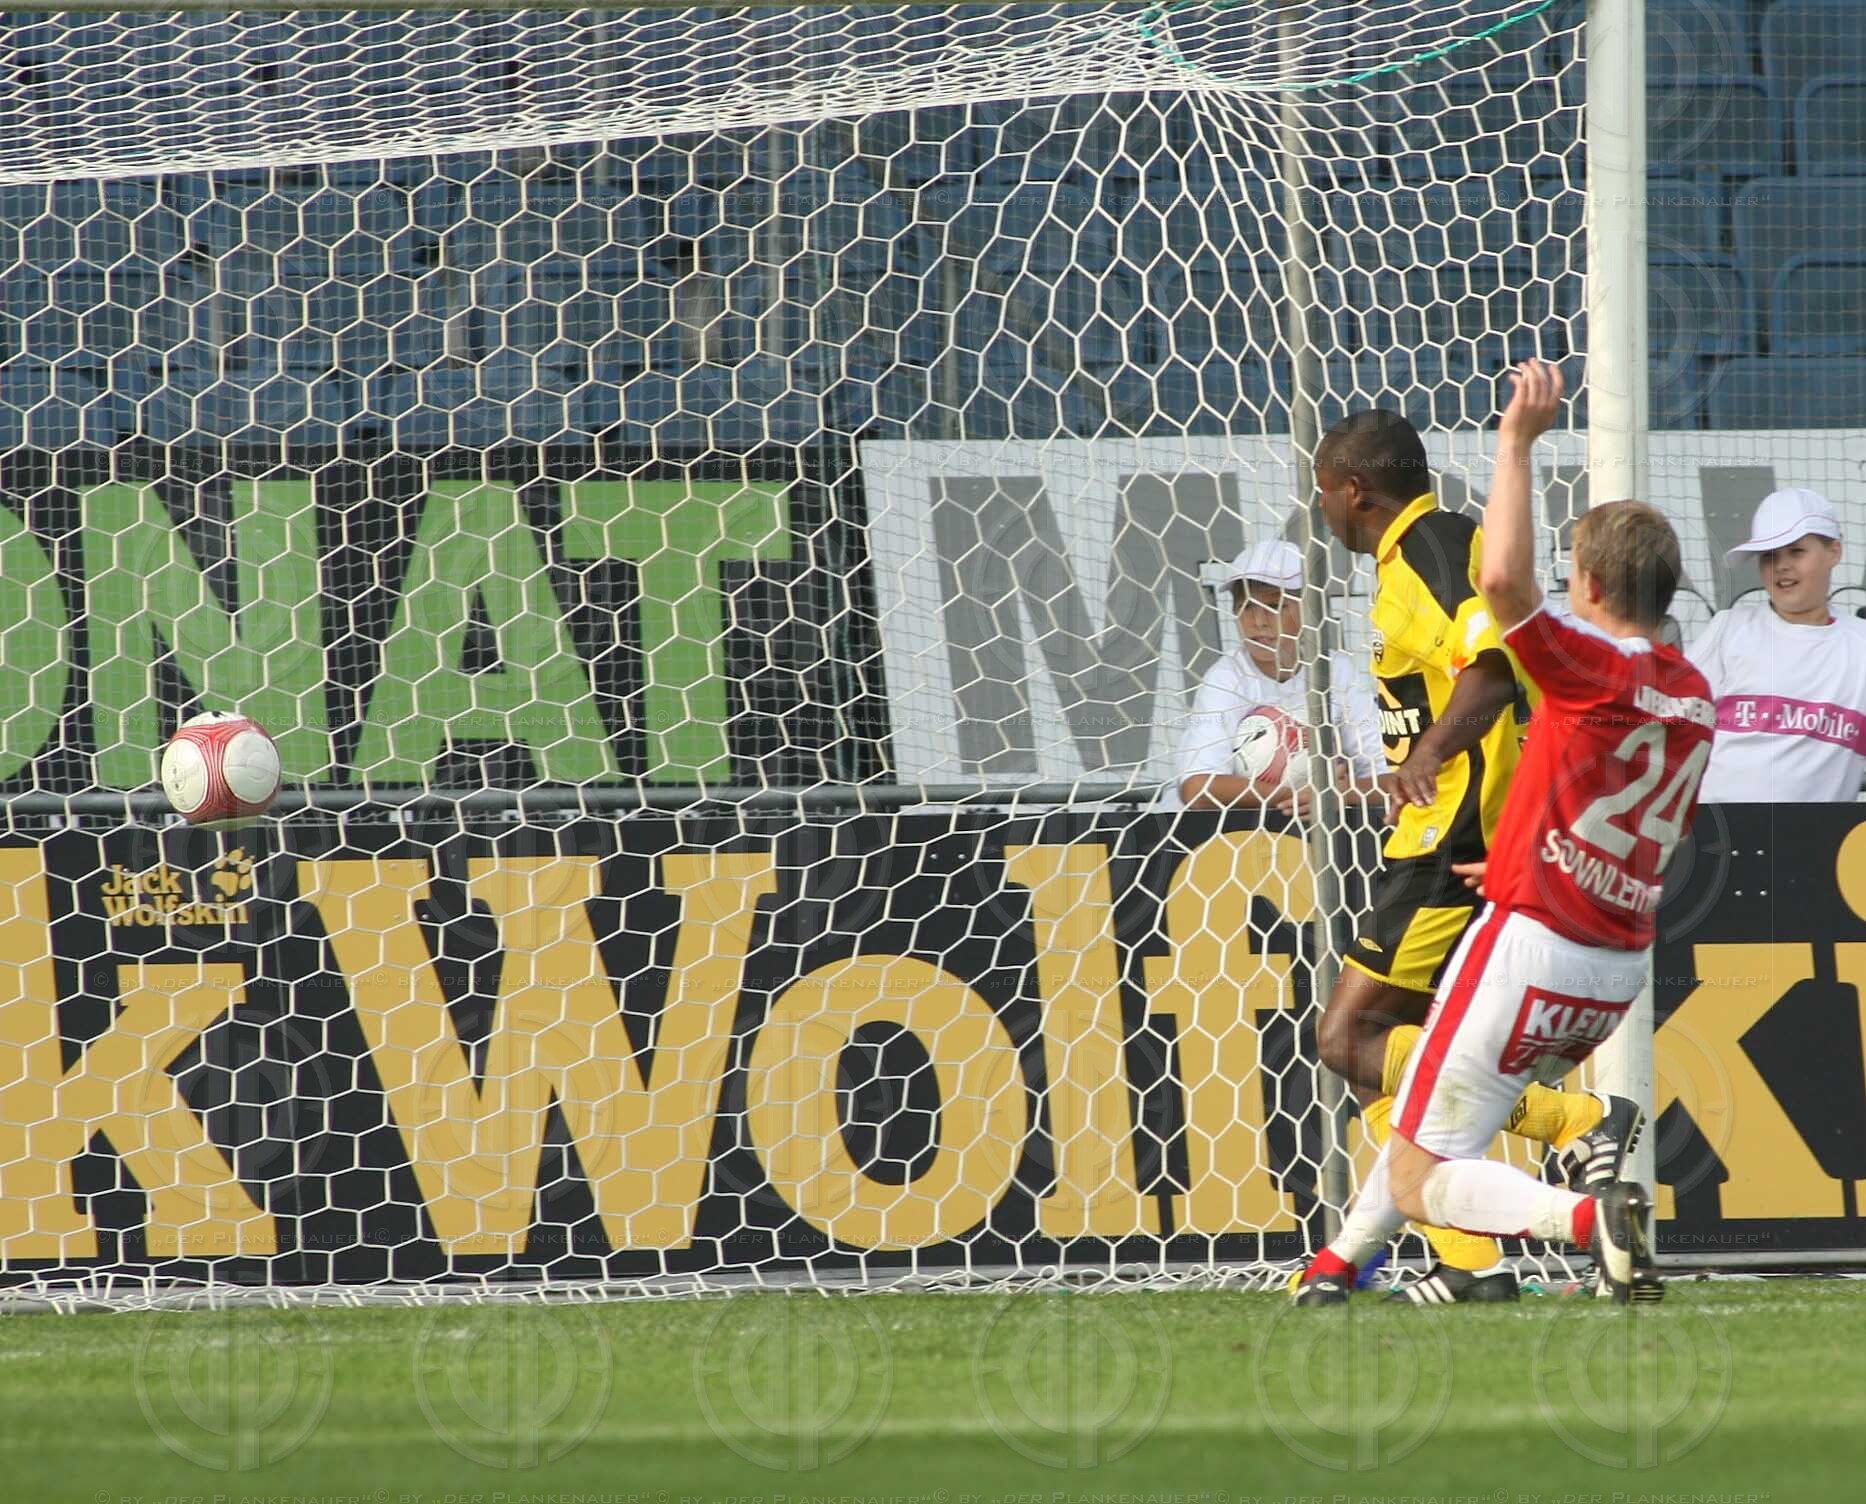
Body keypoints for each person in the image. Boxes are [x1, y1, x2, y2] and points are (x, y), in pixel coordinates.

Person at [1294, 359, 1715, 1307]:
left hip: (1525, 926)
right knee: (1424, 1097)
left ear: (1592, 582)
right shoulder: (1694, 695)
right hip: (1613, 952)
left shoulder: (1579, 666)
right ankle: (1358, 1270)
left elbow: (1499, 598)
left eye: (1573, 576)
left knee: (1375, 1072)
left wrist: (1517, 442)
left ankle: (1582, 1191)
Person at [1174, 539, 1385, 819]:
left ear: (1309, 609)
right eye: (1246, 606)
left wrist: (1345, 792)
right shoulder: (1226, 678)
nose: (1258, 621)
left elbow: (1386, 780)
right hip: (1223, 842)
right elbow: (1198, 788)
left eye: (1276, 605)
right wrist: (1308, 793)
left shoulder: (1337, 671)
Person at [1689, 488, 1866, 802]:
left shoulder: (1860, 645)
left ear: (1834, 552)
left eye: (1796, 551)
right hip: (1714, 838)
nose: (1781, 565)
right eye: (1769, 555)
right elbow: (1669, 727)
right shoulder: (1729, 630)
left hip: (1817, 844)